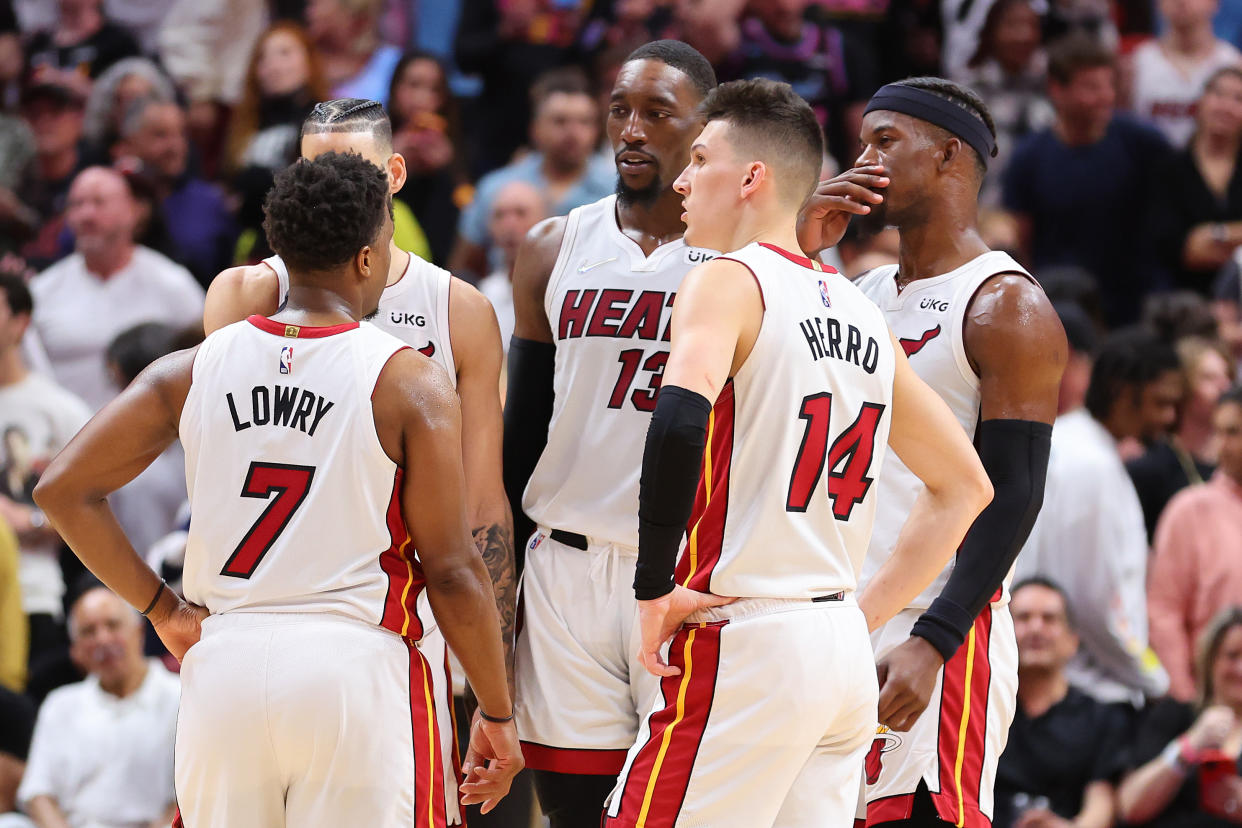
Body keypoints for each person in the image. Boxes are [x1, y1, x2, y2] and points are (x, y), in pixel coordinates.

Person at [31, 152, 522, 826]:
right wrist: (496, 709)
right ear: (366, 257)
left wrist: (160, 608)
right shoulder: (406, 381)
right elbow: (453, 568)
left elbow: (62, 490)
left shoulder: (195, 367)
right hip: (353, 671)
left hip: (224, 668)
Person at [602, 76, 992, 828]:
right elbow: (966, 487)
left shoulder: (727, 279)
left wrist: (652, 588)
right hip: (835, 650)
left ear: (752, 177)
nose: (681, 180)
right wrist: (858, 616)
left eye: (701, 159)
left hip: (746, 638)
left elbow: (679, 422)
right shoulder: (861, 308)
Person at [202, 98, 513, 827]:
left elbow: (483, 504)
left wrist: (487, 669)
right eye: (319, 169)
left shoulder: (455, 307)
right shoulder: (246, 293)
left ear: (396, 174)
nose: (338, 189)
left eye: (358, 171)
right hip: (270, 614)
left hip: (403, 629)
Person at [799, 76, 1066, 828]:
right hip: (846, 615)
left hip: (939, 625)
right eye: (861, 142)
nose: (863, 160)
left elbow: (1014, 492)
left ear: (949, 154)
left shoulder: (1006, 304)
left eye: (884, 141)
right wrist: (803, 246)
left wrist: (934, 641)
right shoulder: (860, 291)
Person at [502, 40, 722, 825]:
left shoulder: (743, 257)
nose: (631, 129)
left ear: (706, 130)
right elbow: (519, 434)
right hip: (565, 567)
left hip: (690, 571)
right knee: (572, 812)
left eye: (657, 114)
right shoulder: (552, 246)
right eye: (621, 110)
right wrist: (502, 601)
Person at [1019, 328, 1181, 704]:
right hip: (1090, 694)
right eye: (1161, 402)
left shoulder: (1071, 440)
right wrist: (1154, 680)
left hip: (1062, 684)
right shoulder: (1093, 466)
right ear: (1124, 393)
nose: (1169, 417)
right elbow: (1097, 603)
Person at [1003, 33, 1171, 326]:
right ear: (1057, 89)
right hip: (1061, 307)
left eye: (1109, 86)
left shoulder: (1145, 144)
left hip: (1137, 304)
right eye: (1091, 87)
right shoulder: (1028, 157)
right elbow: (1022, 240)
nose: (1105, 96)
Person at [27, 165, 204, 411]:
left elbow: (208, 363)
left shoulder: (173, 283)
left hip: (154, 442)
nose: (86, 215)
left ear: (133, 211)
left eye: (99, 202)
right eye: (76, 204)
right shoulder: (41, 291)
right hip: (67, 441)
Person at [17, 586, 181, 828]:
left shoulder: (179, 697)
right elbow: (38, 793)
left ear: (139, 632)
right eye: (88, 632)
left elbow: (186, 796)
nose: (102, 639)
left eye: (112, 625)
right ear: (76, 652)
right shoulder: (60, 705)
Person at [0, 273, 90, 697]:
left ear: (21, 322)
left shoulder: (60, 410)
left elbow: (92, 508)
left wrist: (31, 521)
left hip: (34, 592)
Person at [450, 67, 614, 283]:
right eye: (560, 121)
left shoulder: (616, 189)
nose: (573, 133)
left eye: (584, 122)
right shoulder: (497, 187)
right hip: (507, 304)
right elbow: (462, 267)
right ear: (535, 128)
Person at [993, 578, 1130, 828]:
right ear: (1001, 635)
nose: (1036, 628)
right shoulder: (978, 711)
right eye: (1023, 618)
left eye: (1049, 618)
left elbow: (1102, 804)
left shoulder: (1101, 718)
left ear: (1073, 641)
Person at [1149, 386, 1242, 701]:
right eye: (1219, 432)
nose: (1221, 446)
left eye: (1233, 432)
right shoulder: (1189, 510)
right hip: (1211, 702)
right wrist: (1186, 697)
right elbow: (1164, 611)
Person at [1118, 607, 1242, 827]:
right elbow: (1130, 806)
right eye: (1232, 656)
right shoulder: (1174, 715)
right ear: (1210, 660)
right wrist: (1189, 745)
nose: (1240, 668)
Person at [116, 97, 238, 286]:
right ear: (129, 144)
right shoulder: (105, 198)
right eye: (160, 135)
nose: (175, 146)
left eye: (181, 134)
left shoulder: (210, 203)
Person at [1127, 336, 1233, 538]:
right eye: (1209, 378)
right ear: (1182, 388)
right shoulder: (1150, 468)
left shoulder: (1234, 461)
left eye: (1227, 376)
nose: (1224, 386)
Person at [956, 0, 1055, 207]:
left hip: (1044, 207)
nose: (1024, 35)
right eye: (1013, 25)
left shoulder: (1053, 85)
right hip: (987, 208)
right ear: (992, 31)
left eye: (1031, 26)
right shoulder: (968, 91)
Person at [1152, 67, 1242, 295]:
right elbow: (1189, 252)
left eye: (1238, 99)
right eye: (1218, 94)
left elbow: (1202, 244)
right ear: (1200, 102)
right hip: (1183, 298)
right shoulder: (1169, 169)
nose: (1226, 107)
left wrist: (1216, 235)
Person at [1130, 0, 1242, 148]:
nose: (1181, 2)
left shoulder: (1233, 64)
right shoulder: (1135, 64)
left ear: (1215, 3)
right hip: (1150, 166)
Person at [479, 179, 548, 356]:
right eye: (499, 215)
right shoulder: (485, 293)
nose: (509, 225)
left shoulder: (565, 290)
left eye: (521, 213)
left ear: (548, 222)